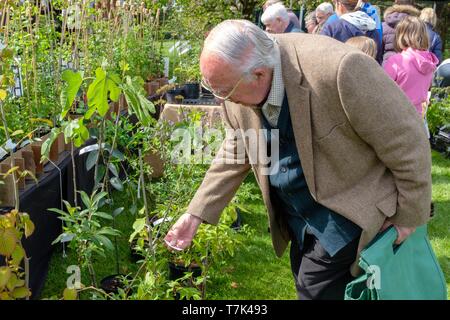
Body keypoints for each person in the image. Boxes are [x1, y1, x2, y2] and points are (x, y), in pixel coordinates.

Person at [165, 19, 432, 300]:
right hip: (298, 219)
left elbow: (407, 139)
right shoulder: (237, 87)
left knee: (313, 290)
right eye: (213, 90)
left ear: (258, 74)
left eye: (224, 91)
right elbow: (239, 146)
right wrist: (195, 215)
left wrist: (408, 217)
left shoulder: (340, 69)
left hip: (350, 210)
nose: (220, 100)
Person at [384, 16, 438, 118]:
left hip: (396, 115)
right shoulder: (430, 62)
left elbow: (383, 89)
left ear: (401, 35)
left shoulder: (396, 61)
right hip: (418, 116)